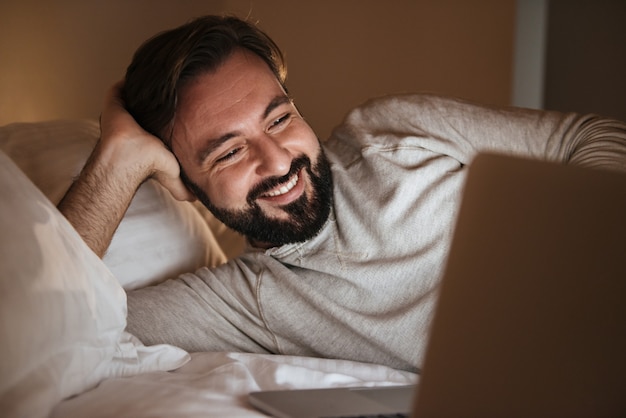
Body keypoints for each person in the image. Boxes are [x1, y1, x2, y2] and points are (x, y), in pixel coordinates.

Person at [58, 15, 626, 372]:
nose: (277, 160)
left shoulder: (391, 132)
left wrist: (584, 261)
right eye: (228, 152)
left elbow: (594, 136)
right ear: (183, 182)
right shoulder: (245, 304)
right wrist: (118, 160)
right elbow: (49, 332)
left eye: (279, 119)